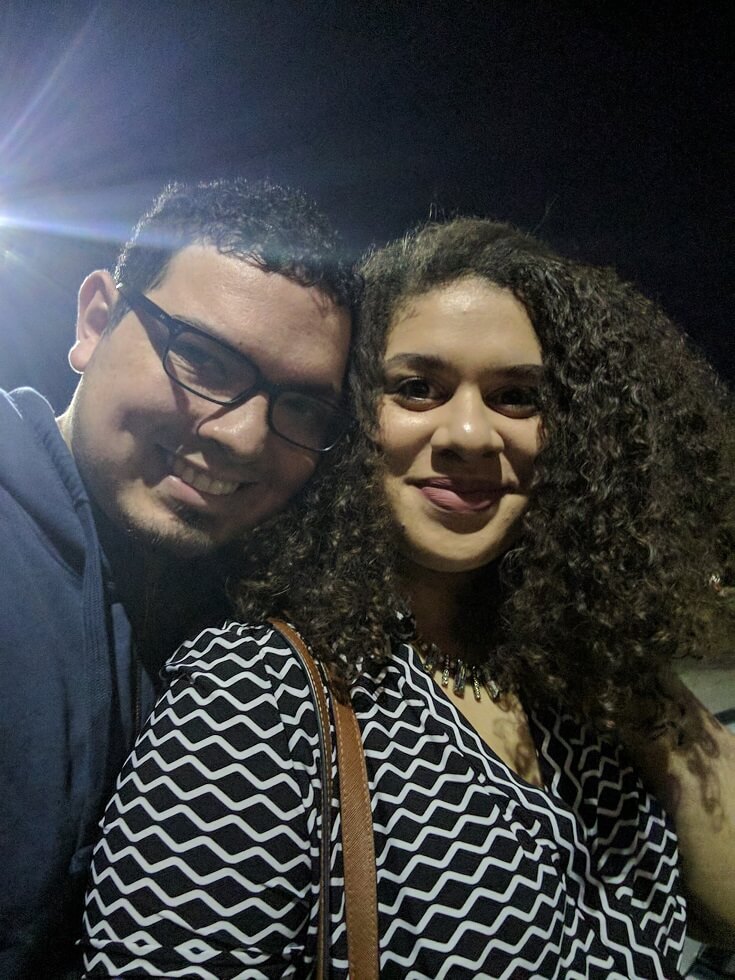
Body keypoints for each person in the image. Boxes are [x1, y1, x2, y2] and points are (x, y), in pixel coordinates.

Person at [80, 218, 734, 978]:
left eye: (517, 396)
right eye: (416, 388)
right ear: (351, 417)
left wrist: (622, 663)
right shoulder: (258, 692)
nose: (469, 434)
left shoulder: (569, 675)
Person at [0, 176, 359, 978]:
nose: (244, 437)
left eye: (302, 408)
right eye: (201, 357)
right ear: (95, 321)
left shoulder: (239, 611)